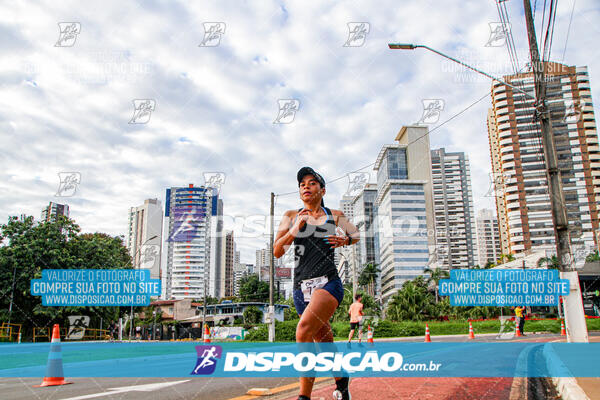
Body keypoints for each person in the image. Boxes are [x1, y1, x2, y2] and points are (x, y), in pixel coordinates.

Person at [274, 167, 359, 400]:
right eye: (302, 184)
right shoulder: (291, 215)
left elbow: (356, 233)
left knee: (302, 332)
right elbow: (277, 250)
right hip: (301, 288)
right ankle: (342, 381)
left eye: (311, 183)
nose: (305, 186)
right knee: (324, 342)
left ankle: (304, 397)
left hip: (328, 283)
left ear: (322, 190)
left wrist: (345, 239)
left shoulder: (335, 214)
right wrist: (293, 230)